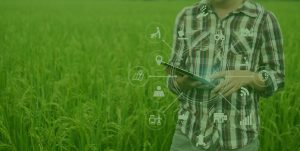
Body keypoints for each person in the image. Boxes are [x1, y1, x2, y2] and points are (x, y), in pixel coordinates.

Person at [167, 0, 285, 150]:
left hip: (240, 140)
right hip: (188, 138)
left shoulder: (263, 19)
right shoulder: (187, 16)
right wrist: (180, 82)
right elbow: (172, 74)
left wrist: (249, 77)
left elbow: (278, 76)